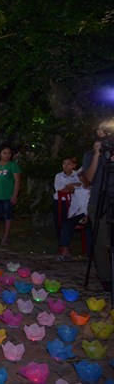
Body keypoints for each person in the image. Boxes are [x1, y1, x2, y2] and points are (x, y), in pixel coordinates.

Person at [82, 118, 114, 292]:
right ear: (99, 133)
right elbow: (88, 179)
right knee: (100, 242)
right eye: (104, 130)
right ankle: (106, 277)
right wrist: (96, 155)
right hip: (98, 202)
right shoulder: (90, 154)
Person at [58, 170, 93, 261]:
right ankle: (65, 252)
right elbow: (65, 188)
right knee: (66, 224)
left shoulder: (93, 191)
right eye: (81, 178)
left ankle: (90, 254)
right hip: (77, 214)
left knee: (89, 228)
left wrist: (88, 215)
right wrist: (77, 184)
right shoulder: (77, 189)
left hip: (89, 214)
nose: (82, 179)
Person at [0, 143, 21, 245]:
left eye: (9, 153)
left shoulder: (13, 166)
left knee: (7, 217)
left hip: (8, 196)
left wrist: (15, 195)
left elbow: (17, 181)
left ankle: (5, 238)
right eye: (4, 153)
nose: (7, 155)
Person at [52, 157, 80, 242]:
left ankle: (68, 240)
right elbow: (59, 188)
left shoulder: (78, 174)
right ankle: (60, 240)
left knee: (69, 220)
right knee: (59, 220)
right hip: (59, 201)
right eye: (64, 163)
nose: (66, 166)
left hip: (73, 202)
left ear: (74, 165)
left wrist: (69, 186)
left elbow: (80, 185)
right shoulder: (58, 175)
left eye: (69, 164)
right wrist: (72, 187)